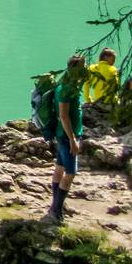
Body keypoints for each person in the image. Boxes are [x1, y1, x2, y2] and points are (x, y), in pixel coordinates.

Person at [46, 55, 87, 224]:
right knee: (70, 173)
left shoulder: (68, 86)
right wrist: (72, 139)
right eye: (82, 66)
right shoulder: (65, 89)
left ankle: (55, 205)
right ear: (74, 68)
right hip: (65, 136)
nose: (85, 69)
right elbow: (63, 115)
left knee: (60, 168)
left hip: (66, 134)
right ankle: (56, 209)